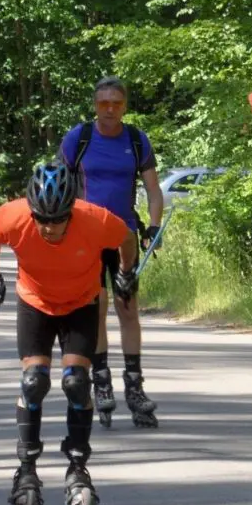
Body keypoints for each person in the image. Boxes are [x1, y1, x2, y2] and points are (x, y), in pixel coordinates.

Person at [0, 162, 137, 505]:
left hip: (80, 304)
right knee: (34, 382)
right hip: (35, 303)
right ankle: (26, 469)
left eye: (58, 219)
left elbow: (126, 237)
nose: (49, 228)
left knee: (76, 383)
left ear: (71, 210)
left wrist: (125, 274)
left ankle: (78, 466)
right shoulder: (13, 217)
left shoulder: (94, 219)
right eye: (42, 219)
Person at [60, 76, 164, 429]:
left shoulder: (136, 140)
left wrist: (153, 224)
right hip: (85, 237)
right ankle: (101, 380)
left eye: (116, 103)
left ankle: (134, 387)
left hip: (124, 237)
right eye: (103, 102)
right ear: (95, 104)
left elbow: (153, 188)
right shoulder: (79, 138)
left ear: (124, 105)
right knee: (97, 307)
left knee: (128, 306)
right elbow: (60, 183)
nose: (109, 109)